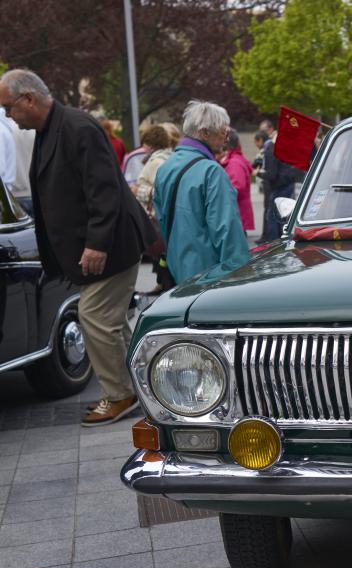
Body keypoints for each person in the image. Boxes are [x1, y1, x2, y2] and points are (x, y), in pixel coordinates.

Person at [0, 69, 145, 426]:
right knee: (109, 322)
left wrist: (96, 244)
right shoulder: (55, 127)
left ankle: (120, 395)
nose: (6, 116)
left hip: (110, 247)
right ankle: (139, 387)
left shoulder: (77, 127)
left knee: (95, 318)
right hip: (99, 247)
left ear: (28, 99)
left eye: (8, 107)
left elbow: (105, 190)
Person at [153, 101, 250, 284]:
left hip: (177, 269)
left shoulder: (165, 167)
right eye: (224, 132)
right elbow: (228, 231)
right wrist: (240, 278)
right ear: (205, 132)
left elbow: (161, 221)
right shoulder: (212, 171)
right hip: (210, 275)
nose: (226, 139)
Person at [133, 124, 175, 294]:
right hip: (161, 216)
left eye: (144, 144)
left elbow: (161, 191)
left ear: (150, 144)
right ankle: (162, 283)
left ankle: (165, 285)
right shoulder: (167, 157)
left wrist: (138, 190)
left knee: (161, 252)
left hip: (156, 216)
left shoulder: (157, 162)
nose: (142, 148)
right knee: (162, 254)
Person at [258, 121, 304, 241]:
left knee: (273, 216)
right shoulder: (286, 148)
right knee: (284, 215)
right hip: (288, 183)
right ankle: (282, 240)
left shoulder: (271, 149)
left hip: (279, 186)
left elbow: (272, 174)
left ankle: (274, 242)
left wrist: (258, 173)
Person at [219, 129, 255, 233]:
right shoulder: (235, 159)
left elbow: (237, 187)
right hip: (237, 214)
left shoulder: (234, 163)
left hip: (237, 214)